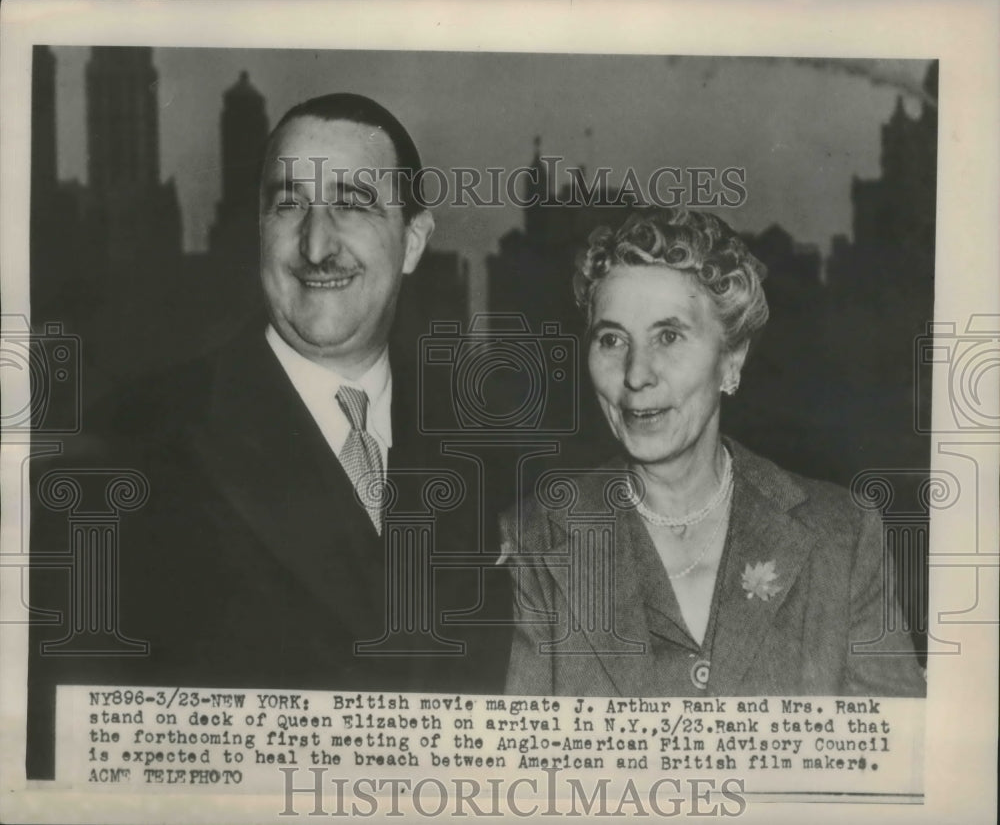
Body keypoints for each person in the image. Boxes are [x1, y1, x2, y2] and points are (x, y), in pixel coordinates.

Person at [27, 94, 509, 778]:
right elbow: (69, 756)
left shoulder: (489, 456)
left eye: (352, 202)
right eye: (288, 205)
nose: (316, 245)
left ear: (413, 241)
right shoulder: (132, 443)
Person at [501, 207, 926, 697]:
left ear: (731, 357)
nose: (637, 374)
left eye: (669, 336)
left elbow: (893, 758)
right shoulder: (536, 539)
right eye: (612, 339)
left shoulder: (842, 537)